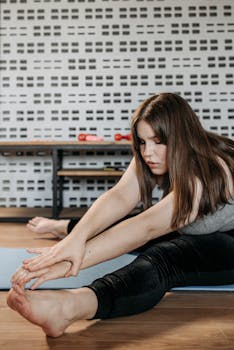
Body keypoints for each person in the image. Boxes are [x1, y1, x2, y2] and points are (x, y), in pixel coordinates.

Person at [7, 92, 234, 338]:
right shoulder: (156, 154)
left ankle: (68, 307)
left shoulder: (210, 170)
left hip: (229, 241)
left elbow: (146, 227)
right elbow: (120, 197)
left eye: (158, 141)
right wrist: (76, 239)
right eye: (142, 142)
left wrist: (67, 262)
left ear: (180, 136)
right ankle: (64, 227)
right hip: (193, 227)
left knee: (166, 257)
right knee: (117, 223)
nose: (148, 153)